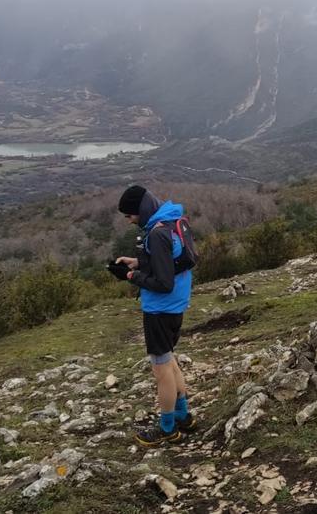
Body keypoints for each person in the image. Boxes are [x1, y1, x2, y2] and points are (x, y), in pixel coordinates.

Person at [115, 185, 196, 446]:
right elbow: (170, 262)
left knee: (161, 369)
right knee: (169, 360)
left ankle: (167, 428)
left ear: (140, 210)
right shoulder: (170, 220)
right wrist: (138, 263)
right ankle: (183, 416)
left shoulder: (157, 233)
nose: (130, 220)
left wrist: (132, 276)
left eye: (130, 215)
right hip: (175, 306)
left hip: (161, 309)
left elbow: (163, 283)